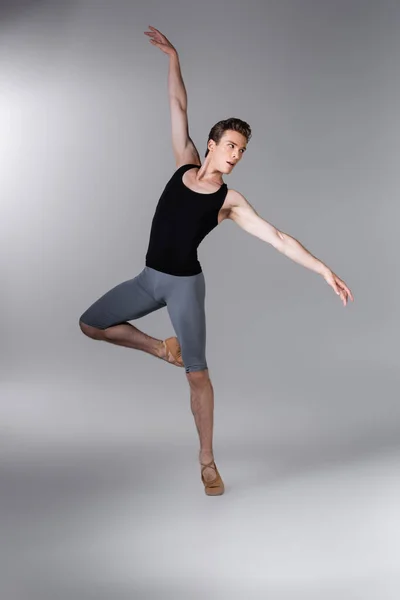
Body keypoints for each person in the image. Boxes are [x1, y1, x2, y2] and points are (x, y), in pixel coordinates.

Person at [79, 26, 354, 496]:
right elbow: (178, 105)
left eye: (242, 151)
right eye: (230, 146)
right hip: (148, 280)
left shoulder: (230, 201)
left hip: (185, 287)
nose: (236, 155)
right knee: (91, 324)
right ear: (211, 144)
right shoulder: (184, 163)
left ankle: (207, 462)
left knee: (199, 375)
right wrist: (174, 58)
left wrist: (324, 270)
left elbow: (279, 238)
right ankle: (162, 348)